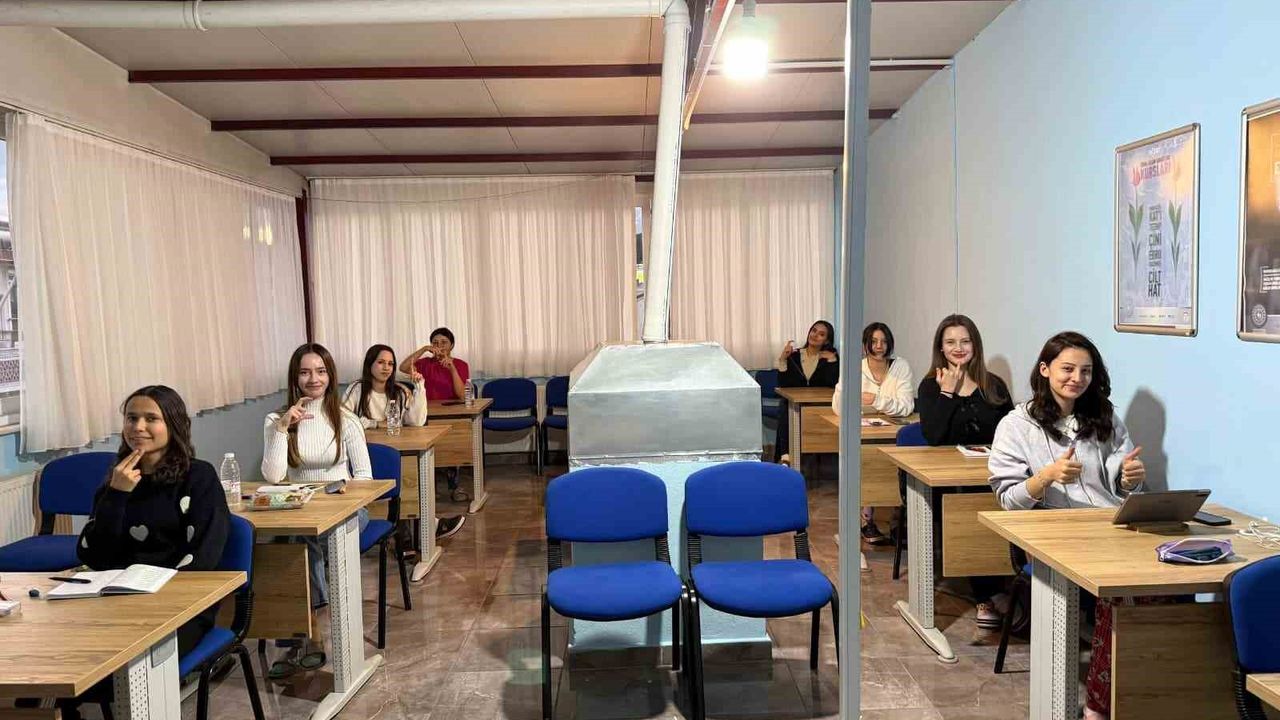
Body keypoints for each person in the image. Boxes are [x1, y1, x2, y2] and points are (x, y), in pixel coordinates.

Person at [988, 331, 1146, 720]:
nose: (1077, 378)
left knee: (1166, 586)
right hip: (1053, 536)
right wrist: (1046, 476)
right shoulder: (1016, 425)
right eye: (1068, 369)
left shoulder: (1104, 417)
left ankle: (1153, 688)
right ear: (1045, 370)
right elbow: (1008, 499)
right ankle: (1098, 705)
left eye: (1086, 371)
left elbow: (1122, 480)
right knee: (1118, 592)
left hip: (1109, 528)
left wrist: (1130, 478)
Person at [60, 386, 230, 719]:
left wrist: (155, 597)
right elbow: (93, 555)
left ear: (173, 425)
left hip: (179, 607)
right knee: (65, 659)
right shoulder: (117, 479)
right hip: (116, 602)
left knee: (118, 669)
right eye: (131, 418)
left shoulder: (199, 477)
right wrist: (117, 495)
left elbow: (204, 557)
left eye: (151, 418)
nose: (138, 427)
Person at [262, 343, 371, 678]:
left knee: (297, 544)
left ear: (330, 375)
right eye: (305, 372)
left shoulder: (346, 419)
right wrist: (283, 429)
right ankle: (309, 627)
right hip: (300, 510)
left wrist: (344, 494)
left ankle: (304, 634)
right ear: (295, 377)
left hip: (346, 511)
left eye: (321, 371)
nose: (314, 379)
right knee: (290, 543)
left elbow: (365, 478)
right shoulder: (275, 419)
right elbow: (273, 476)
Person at [915, 314, 1013, 629]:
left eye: (965, 341)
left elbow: (1011, 431)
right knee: (968, 507)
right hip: (947, 479)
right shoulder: (931, 385)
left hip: (990, 473)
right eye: (951, 342)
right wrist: (947, 393)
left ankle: (1004, 586)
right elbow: (933, 436)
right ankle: (987, 594)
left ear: (975, 345)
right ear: (941, 348)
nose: (958, 348)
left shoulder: (992, 384)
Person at [345, 343, 464, 540]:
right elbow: (345, 419)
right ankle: (416, 529)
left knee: (412, 475)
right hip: (364, 453)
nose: (386, 368)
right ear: (370, 364)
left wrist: (419, 387)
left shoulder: (399, 390)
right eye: (381, 362)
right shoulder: (356, 389)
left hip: (396, 449)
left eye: (390, 364)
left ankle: (423, 527)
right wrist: (375, 424)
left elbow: (416, 421)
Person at [845, 322, 914, 544]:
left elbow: (906, 406)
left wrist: (876, 400)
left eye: (883, 341)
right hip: (865, 432)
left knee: (899, 465)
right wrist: (887, 403)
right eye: (873, 341)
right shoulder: (856, 367)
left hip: (896, 431)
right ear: (865, 344)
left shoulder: (900, 366)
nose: (878, 346)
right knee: (868, 460)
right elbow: (844, 404)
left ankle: (897, 521)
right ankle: (866, 520)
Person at [402, 327, 473, 503]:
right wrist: (423, 349)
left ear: (452, 345)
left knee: (454, 444)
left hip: (451, 415)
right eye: (435, 343)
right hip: (427, 414)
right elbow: (403, 367)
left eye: (444, 343)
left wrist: (452, 369)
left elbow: (461, 395)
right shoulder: (425, 364)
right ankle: (429, 488)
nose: (439, 346)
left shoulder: (461, 364)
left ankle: (454, 486)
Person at [774, 320, 839, 464]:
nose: (815, 335)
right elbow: (783, 384)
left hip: (818, 405)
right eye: (814, 331)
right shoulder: (794, 355)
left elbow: (832, 383)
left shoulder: (830, 357)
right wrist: (783, 359)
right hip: (796, 404)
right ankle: (785, 455)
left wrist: (832, 360)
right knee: (784, 405)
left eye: (821, 334)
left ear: (827, 340)